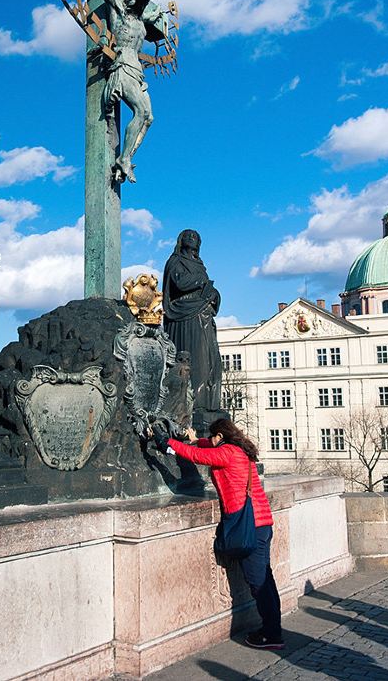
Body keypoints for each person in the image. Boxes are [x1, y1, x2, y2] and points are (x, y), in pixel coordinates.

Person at [153, 417, 284, 650]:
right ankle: (273, 628)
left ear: (220, 437)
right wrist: (196, 440)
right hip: (261, 522)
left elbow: (198, 457)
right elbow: (207, 448)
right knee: (265, 577)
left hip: (250, 525)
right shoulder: (238, 450)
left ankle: (271, 634)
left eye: (213, 437)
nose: (211, 440)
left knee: (258, 582)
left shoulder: (227, 453)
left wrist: (168, 443)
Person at [61, 0, 155, 184]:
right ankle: (123, 159)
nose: (142, 4)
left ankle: (126, 157)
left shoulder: (141, 21)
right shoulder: (120, 8)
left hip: (136, 71)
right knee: (139, 112)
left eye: (146, 2)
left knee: (149, 117)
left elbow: (153, 17)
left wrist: (158, 15)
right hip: (122, 66)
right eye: (140, 0)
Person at [162, 230, 222, 412]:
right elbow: (179, 283)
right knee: (197, 359)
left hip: (203, 313)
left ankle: (208, 404)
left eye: (195, 237)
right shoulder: (175, 261)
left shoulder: (199, 265)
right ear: (181, 240)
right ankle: (193, 405)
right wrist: (202, 283)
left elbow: (203, 284)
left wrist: (214, 294)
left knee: (211, 361)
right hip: (185, 316)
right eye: (188, 236)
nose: (192, 239)